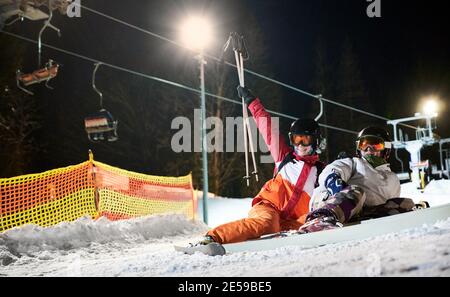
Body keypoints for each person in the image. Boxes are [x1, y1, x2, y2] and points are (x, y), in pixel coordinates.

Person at [194, 86, 325, 246]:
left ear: (316, 141)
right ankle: (213, 237)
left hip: (290, 223)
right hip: (268, 208)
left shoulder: (321, 171)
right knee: (268, 224)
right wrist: (252, 102)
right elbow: (267, 128)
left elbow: (336, 190)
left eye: (305, 140)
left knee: (316, 219)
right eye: (296, 139)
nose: (300, 145)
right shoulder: (284, 157)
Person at [299, 126, 416, 233]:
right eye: (364, 145)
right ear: (358, 148)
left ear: (386, 149)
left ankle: (370, 222)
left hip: (359, 211)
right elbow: (332, 170)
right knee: (356, 191)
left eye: (376, 145)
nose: (369, 149)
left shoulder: (393, 179)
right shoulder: (353, 162)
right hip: (330, 201)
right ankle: (319, 220)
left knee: (406, 203)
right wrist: (336, 184)